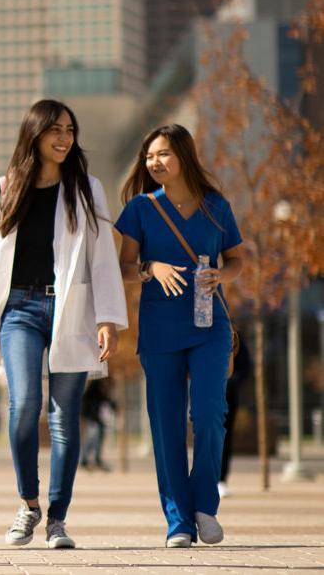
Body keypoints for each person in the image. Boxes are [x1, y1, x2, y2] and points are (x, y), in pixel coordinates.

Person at [0, 99, 127, 550]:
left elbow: (102, 258)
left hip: (71, 309)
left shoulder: (86, 189)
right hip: (17, 311)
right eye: (54, 130)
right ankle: (28, 504)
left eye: (69, 130)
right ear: (34, 134)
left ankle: (57, 519)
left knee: (65, 418)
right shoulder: (3, 189)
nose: (63, 138)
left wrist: (107, 319)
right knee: (24, 407)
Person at [116, 124, 246, 548]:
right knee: (166, 425)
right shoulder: (139, 208)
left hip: (211, 326)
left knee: (209, 414)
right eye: (150, 156)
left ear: (184, 157)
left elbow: (239, 259)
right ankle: (179, 521)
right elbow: (122, 269)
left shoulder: (216, 206)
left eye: (164, 154)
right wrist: (152, 269)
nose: (154, 162)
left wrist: (221, 274)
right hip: (159, 329)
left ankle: (204, 506)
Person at [218, 332, 251, 498]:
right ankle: (206, 479)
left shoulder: (235, 337)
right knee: (207, 435)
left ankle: (221, 479)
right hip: (207, 393)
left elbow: (245, 366)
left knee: (225, 437)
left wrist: (231, 383)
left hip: (229, 395)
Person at [80, 378, 115, 472]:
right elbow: (85, 408)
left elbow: (109, 402)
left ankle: (96, 459)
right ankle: (84, 460)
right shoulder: (91, 395)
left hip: (98, 420)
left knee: (98, 440)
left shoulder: (100, 395)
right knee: (92, 439)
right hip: (92, 420)